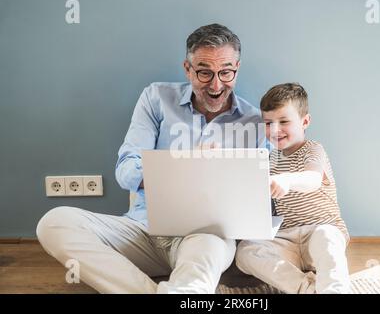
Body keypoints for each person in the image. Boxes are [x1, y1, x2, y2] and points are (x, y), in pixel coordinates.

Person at [36, 23, 264, 294]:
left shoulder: (257, 122)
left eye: (226, 72)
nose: (216, 85)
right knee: (54, 222)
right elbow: (126, 169)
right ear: (187, 69)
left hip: (204, 236)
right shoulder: (156, 98)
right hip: (143, 229)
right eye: (204, 72)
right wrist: (186, 169)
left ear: (237, 68)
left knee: (212, 244)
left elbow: (258, 195)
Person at [235, 83, 350, 294]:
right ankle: (305, 289)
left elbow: (312, 178)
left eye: (284, 121)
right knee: (246, 251)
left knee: (327, 236)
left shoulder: (313, 150)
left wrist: (287, 180)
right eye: (268, 123)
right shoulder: (269, 158)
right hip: (287, 239)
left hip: (319, 232)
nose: (275, 130)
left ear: (305, 121)